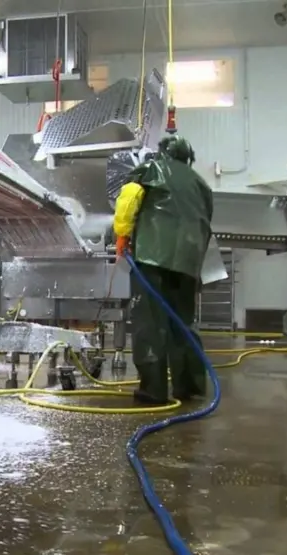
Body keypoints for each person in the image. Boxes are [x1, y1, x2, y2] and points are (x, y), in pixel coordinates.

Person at [107, 135, 214, 406]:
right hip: (189, 262)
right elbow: (206, 222)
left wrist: (122, 235)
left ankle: (153, 390)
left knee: (150, 323)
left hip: (152, 256)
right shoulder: (202, 185)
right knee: (183, 322)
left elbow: (129, 199)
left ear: (163, 152)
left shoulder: (151, 169)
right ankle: (190, 386)